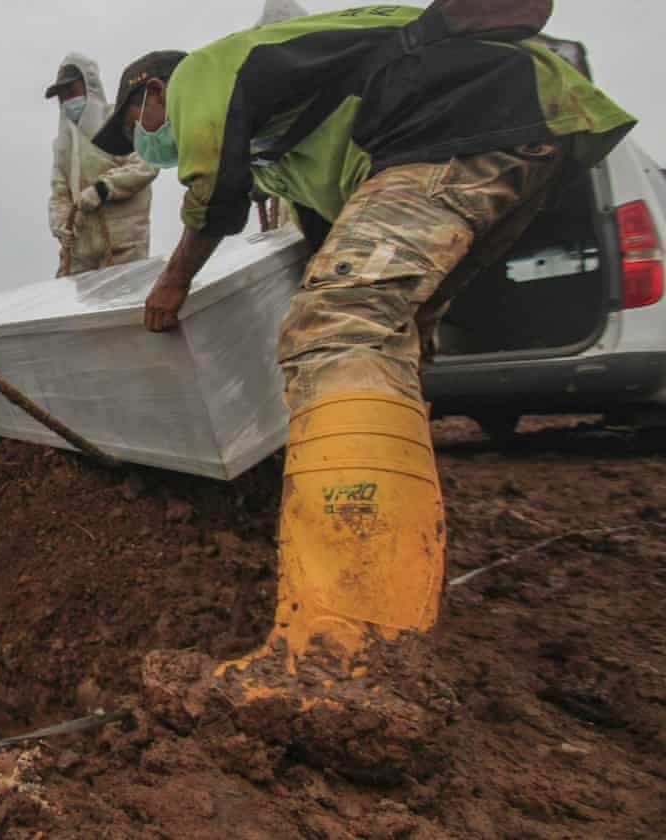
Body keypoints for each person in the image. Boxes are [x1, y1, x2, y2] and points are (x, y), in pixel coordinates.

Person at [94, 4, 634, 764]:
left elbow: (215, 191)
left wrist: (171, 286)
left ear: (151, 88)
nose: (145, 140)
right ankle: (386, 610)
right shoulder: (290, 144)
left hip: (457, 125)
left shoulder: (206, 70)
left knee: (342, 323)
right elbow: (328, 237)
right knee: (384, 333)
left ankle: (339, 650)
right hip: (495, 131)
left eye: (136, 123)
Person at [45, 54, 158, 277]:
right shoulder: (62, 144)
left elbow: (146, 164)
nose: (67, 100)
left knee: (123, 307)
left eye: (71, 91)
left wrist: (102, 189)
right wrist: (59, 222)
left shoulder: (120, 121)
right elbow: (59, 192)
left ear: (90, 86)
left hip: (124, 246)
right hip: (80, 251)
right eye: (61, 96)